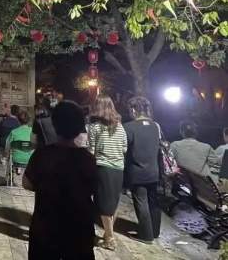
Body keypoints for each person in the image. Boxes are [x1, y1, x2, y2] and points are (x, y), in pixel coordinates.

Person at [23, 101, 97, 260]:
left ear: (54, 125)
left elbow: (26, 183)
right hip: (79, 228)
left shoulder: (42, 155)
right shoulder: (88, 159)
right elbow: (95, 189)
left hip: (46, 228)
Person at [87, 95, 127, 250]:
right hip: (118, 168)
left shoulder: (95, 126)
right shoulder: (119, 126)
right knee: (113, 203)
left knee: (104, 205)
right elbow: (124, 148)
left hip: (103, 167)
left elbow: (91, 150)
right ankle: (106, 236)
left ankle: (110, 238)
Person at [123, 96, 162, 244]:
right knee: (153, 201)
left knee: (141, 201)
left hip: (137, 171)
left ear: (134, 110)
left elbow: (125, 149)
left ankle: (146, 235)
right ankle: (155, 231)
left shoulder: (129, 127)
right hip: (154, 170)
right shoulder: (155, 126)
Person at [170, 120, 225, 190]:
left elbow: (170, 163)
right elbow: (218, 162)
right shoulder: (206, 147)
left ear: (182, 132)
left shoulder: (174, 145)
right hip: (205, 187)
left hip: (184, 184)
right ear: (196, 133)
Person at [5, 110, 33, 185]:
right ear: (29, 120)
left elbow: (7, 146)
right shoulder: (33, 132)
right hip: (31, 159)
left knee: (9, 156)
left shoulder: (14, 132)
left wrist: (7, 154)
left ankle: (10, 178)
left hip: (16, 158)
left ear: (18, 120)